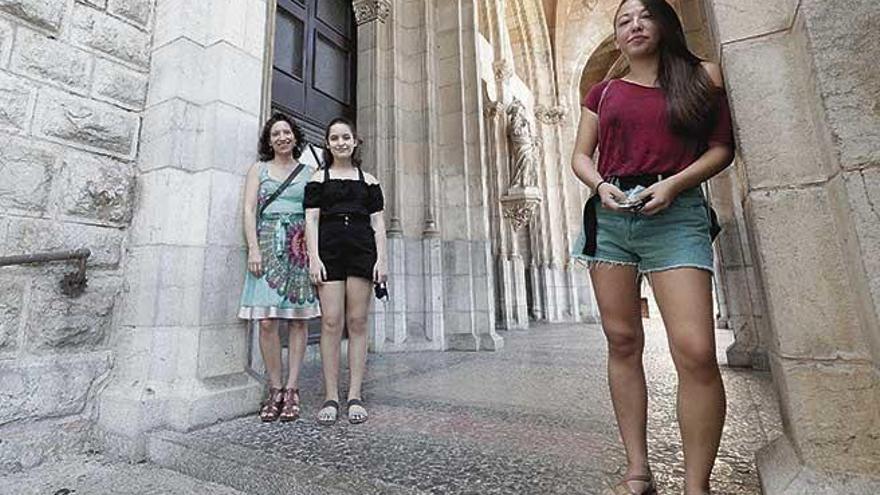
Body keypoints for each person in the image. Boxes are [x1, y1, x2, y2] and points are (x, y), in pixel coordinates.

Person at [570, 1, 735, 494]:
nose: (634, 25)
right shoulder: (603, 91)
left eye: (643, 15)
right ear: (617, 37)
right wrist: (601, 186)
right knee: (622, 342)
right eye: (623, 20)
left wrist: (673, 186)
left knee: (697, 350)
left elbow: (721, 148)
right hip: (613, 217)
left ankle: (696, 485)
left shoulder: (702, 75)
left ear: (664, 22)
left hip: (676, 212)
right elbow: (580, 155)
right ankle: (638, 470)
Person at [304, 117, 387, 426]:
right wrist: (314, 258)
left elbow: (378, 224)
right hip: (329, 250)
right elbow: (311, 220)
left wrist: (383, 261)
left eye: (346, 137)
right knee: (330, 321)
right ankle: (330, 396)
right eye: (335, 138)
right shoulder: (317, 178)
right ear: (328, 144)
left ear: (355, 142)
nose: (340, 142)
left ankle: (354, 395)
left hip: (362, 250)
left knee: (357, 320)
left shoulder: (370, 181)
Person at [239, 114, 320, 422]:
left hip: (298, 247)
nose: (282, 137)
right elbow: (248, 209)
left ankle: (292, 389)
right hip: (267, 245)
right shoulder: (258, 170)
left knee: (298, 322)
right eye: (276, 133)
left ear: (295, 137)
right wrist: (253, 249)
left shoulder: (310, 172)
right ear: (269, 140)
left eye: (287, 132)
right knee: (267, 322)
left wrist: (314, 256)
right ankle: (274, 388)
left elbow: (315, 217)